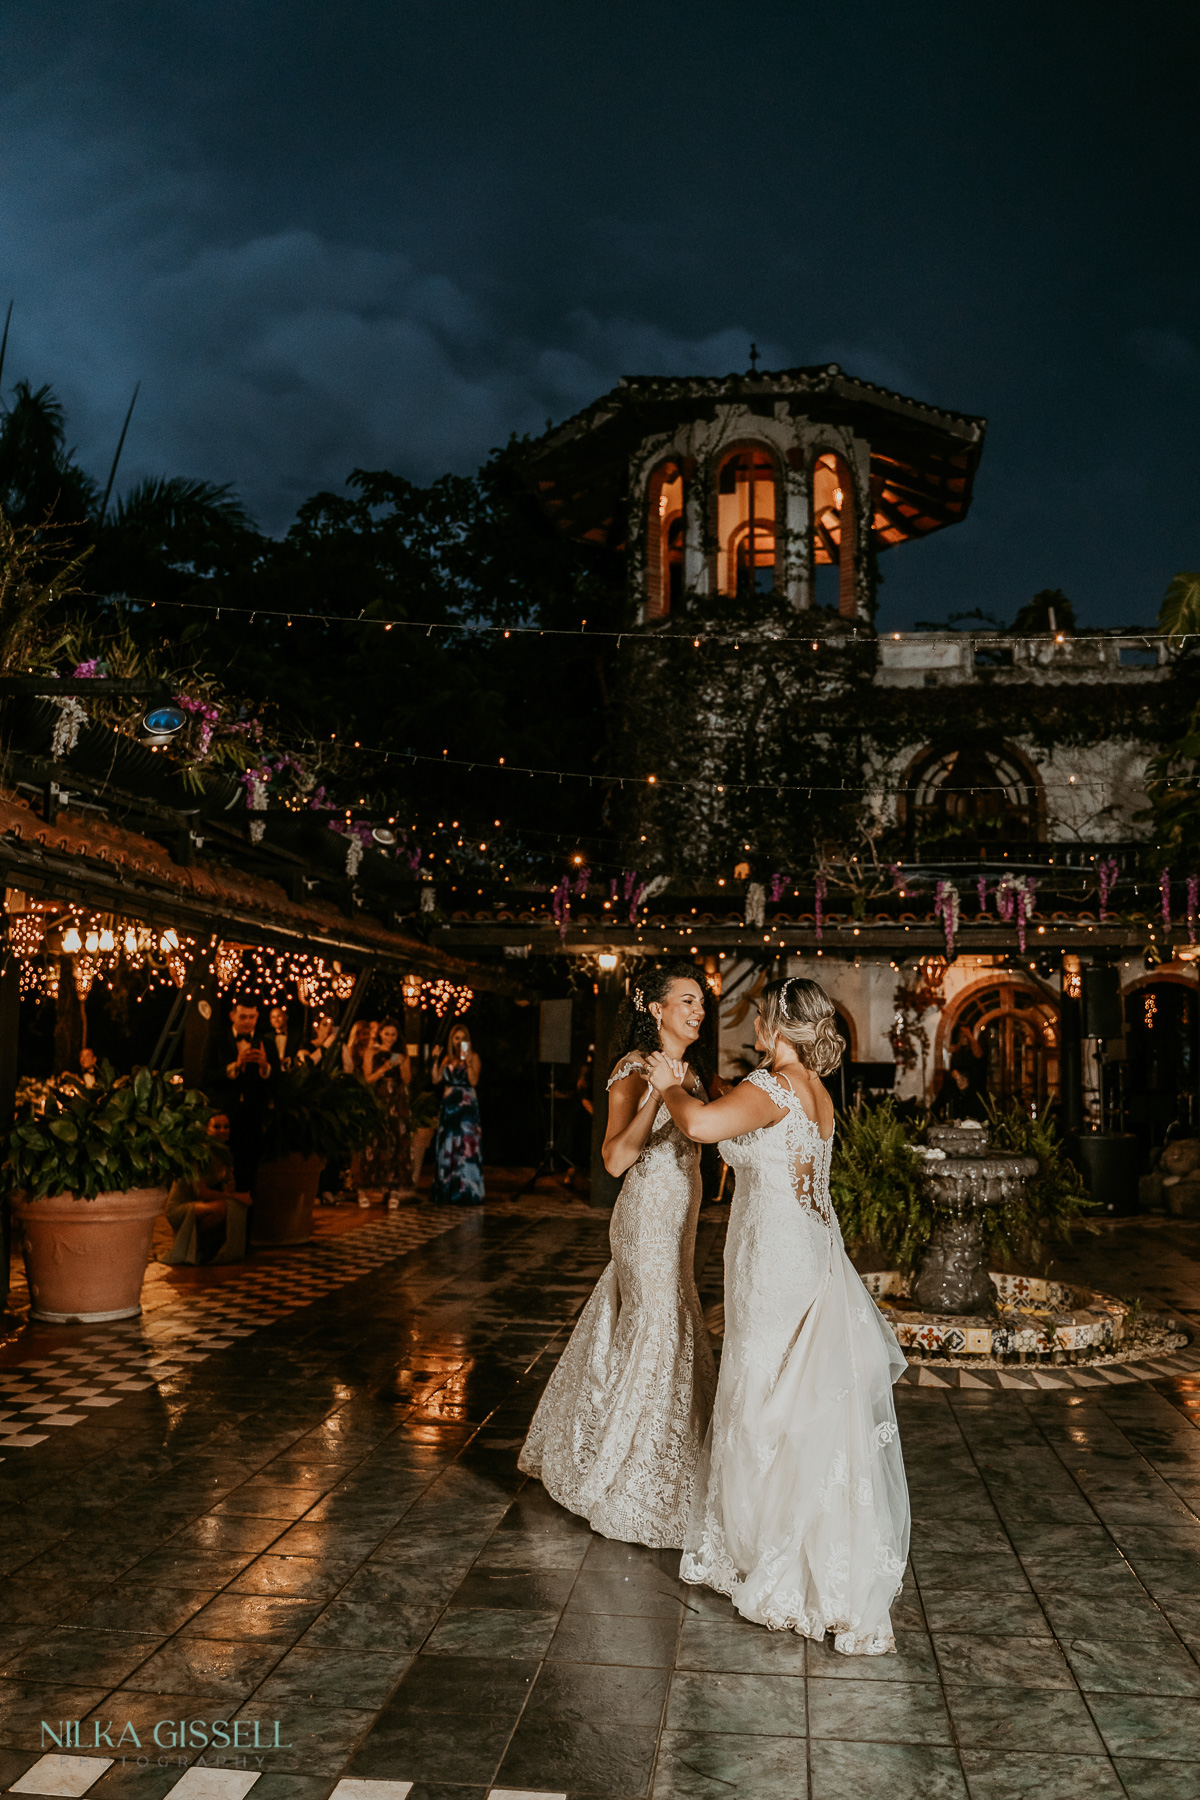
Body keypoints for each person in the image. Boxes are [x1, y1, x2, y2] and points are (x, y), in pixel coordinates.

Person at [647, 975, 909, 1654]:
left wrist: (669, 1081)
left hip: (775, 1262)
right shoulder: (813, 1092)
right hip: (808, 1249)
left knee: (763, 1392)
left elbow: (700, 1126)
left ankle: (765, 1549)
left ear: (780, 1025)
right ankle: (795, 1542)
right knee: (795, 1401)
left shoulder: (771, 1088)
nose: (754, 1026)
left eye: (762, 1017)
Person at [518, 962, 718, 1548]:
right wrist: (657, 1096)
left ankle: (666, 1453)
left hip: (679, 1222)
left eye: (701, 1002)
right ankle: (626, 1470)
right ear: (655, 1010)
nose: (698, 1010)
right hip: (645, 1219)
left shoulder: (690, 1070)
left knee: (673, 1328)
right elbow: (612, 1158)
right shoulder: (634, 1069)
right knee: (657, 1330)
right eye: (687, 1000)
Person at [159, 1112, 251, 1265]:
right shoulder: (197, 1154)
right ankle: (191, 1245)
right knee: (223, 1208)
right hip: (180, 1207)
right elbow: (201, 1192)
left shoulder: (224, 1155)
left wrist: (231, 1187)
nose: (223, 1130)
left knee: (233, 1208)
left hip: (201, 1204)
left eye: (226, 1127)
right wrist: (237, 1197)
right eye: (217, 1127)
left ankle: (207, 1249)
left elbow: (226, 1189)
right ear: (206, 1130)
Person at [204, 998, 275, 1192]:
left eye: (252, 1017)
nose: (247, 1021)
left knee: (249, 1175)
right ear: (232, 1016)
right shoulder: (216, 1039)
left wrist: (265, 1067)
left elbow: (277, 1081)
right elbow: (206, 1076)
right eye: (243, 1016)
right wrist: (235, 1066)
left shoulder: (266, 1043)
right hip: (224, 1117)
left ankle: (246, 1220)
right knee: (218, 1173)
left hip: (252, 1118)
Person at [362, 1020, 415, 1205]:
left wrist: (401, 1064)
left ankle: (393, 1190)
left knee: (397, 1143)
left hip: (397, 1101)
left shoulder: (401, 1054)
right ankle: (369, 1188)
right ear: (380, 1034)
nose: (390, 1038)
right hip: (379, 1099)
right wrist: (384, 1068)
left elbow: (407, 1079)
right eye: (387, 1034)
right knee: (376, 1141)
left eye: (393, 1034)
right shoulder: (371, 1052)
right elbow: (368, 1078)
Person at [430, 1022, 484, 1204]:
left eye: (463, 1038)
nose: (459, 1041)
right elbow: (436, 1079)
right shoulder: (447, 1059)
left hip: (466, 1105)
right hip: (448, 1104)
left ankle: (467, 1189)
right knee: (448, 1146)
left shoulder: (474, 1057)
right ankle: (447, 1188)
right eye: (457, 1038)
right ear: (452, 1040)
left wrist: (468, 1063)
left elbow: (474, 1081)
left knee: (466, 1147)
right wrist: (435, 1061)